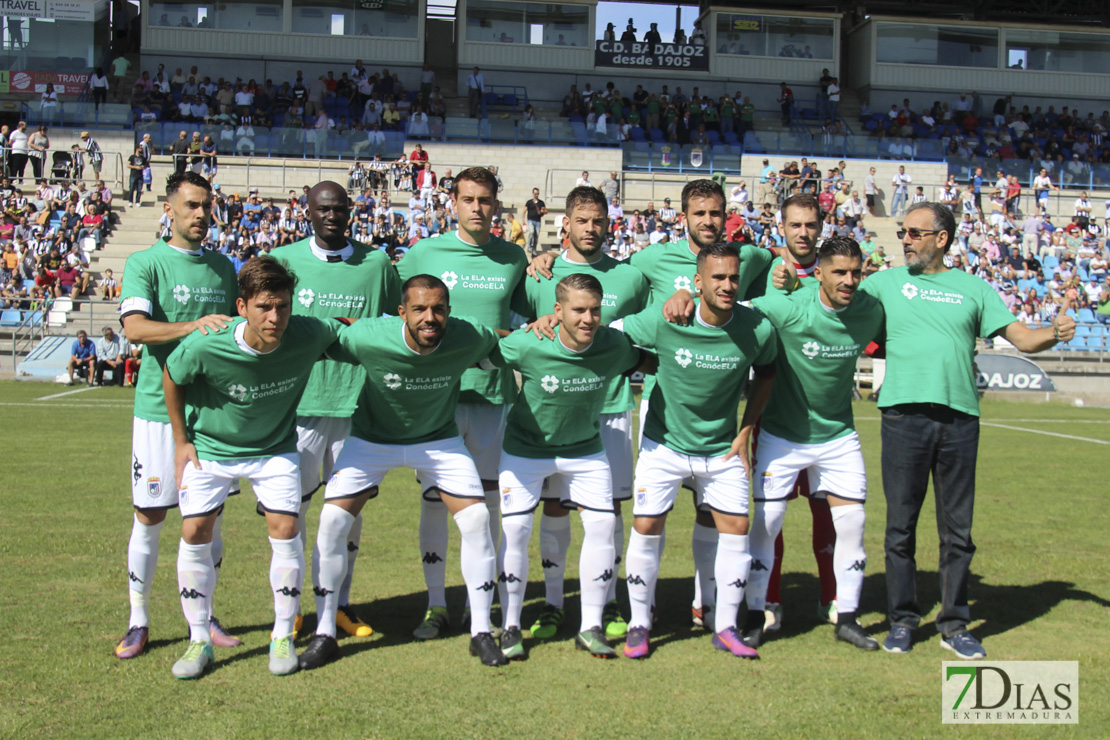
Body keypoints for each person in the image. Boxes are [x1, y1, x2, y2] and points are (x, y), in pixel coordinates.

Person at [530, 179, 777, 626]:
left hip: (708, 417)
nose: (708, 221)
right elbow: (619, 306)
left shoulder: (753, 257)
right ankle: (605, 604)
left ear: (727, 216)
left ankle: (704, 602)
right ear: (682, 216)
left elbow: (778, 276)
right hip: (659, 411)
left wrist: (789, 274)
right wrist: (546, 257)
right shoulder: (647, 260)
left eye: (716, 213)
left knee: (698, 509)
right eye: (699, 213)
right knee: (634, 513)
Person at [857, 203, 1076, 659]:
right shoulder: (881, 284)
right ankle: (902, 620)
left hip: (959, 420)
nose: (905, 239)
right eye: (902, 231)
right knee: (900, 527)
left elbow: (1025, 339)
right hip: (903, 418)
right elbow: (833, 300)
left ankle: (955, 624)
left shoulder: (975, 289)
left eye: (915, 232)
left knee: (958, 532)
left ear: (942, 238)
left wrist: (1055, 330)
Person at [301, 274, 509, 669]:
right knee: (331, 522)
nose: (429, 317)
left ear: (449, 312)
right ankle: (325, 632)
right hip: (371, 441)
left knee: (478, 517)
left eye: (438, 309)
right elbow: (326, 335)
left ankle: (480, 630)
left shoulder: (466, 335)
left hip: (438, 441)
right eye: (419, 309)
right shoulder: (370, 336)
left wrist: (540, 326)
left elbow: (501, 339)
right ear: (401, 312)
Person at [162, 257, 345, 679]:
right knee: (194, 531)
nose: (275, 317)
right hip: (211, 447)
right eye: (264, 307)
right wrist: (181, 441)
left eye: (282, 306)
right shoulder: (207, 343)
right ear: (242, 307)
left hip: (274, 448)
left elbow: (343, 325)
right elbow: (173, 376)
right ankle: (198, 641)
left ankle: (282, 635)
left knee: (285, 526)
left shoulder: (307, 332)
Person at [618, 243, 777, 659]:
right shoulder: (667, 317)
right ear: (698, 282)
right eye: (717, 278)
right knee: (647, 526)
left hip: (721, 450)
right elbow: (614, 336)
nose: (726, 286)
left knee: (737, 529)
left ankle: (724, 626)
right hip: (664, 445)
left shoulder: (756, 328)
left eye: (733, 278)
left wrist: (746, 429)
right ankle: (639, 623)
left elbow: (768, 373)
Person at [395, 167, 528, 639]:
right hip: (438, 400)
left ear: (496, 205)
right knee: (435, 502)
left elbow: (530, 318)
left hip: (493, 397)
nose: (477, 207)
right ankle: (435, 605)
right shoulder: (423, 253)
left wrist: (547, 260)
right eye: (468, 199)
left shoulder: (514, 257)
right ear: (452, 202)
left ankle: (482, 607)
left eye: (485, 200)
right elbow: (398, 317)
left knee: (487, 505)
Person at [114, 171, 241, 660]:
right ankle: (138, 620)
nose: (201, 214)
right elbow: (135, 329)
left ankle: (204, 615)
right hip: (157, 412)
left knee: (210, 521)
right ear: (169, 209)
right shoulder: (145, 262)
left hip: (214, 413)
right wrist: (195, 325)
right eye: (190, 205)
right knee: (149, 515)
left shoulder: (224, 268)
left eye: (206, 206)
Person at [513, 187, 650, 643]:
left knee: (606, 511)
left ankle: (606, 601)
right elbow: (523, 329)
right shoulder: (536, 276)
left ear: (609, 223)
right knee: (553, 505)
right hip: (552, 412)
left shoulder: (630, 278)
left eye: (599, 220)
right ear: (565, 223)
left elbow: (642, 340)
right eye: (582, 220)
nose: (591, 228)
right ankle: (553, 605)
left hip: (609, 408)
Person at [269, 181, 399, 640]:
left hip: (357, 407)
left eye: (339, 208)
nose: (331, 216)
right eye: (322, 208)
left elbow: (390, 325)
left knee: (348, 513)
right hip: (300, 405)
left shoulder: (377, 263)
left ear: (350, 211)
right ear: (307, 210)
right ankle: (295, 608)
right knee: (294, 512)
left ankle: (339, 603)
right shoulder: (285, 262)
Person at [493, 273, 645, 660]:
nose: (588, 319)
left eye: (595, 310)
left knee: (602, 526)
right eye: (578, 310)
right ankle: (511, 625)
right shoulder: (530, 342)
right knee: (514, 530)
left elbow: (651, 344)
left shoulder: (614, 344)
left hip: (584, 450)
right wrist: (525, 326)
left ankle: (590, 625)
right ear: (557, 311)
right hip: (526, 450)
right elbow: (486, 347)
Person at [743, 236, 883, 652]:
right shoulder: (788, 306)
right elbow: (729, 310)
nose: (850, 280)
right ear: (817, 272)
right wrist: (684, 297)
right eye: (840, 272)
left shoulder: (870, 311)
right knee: (766, 526)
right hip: (781, 438)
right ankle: (755, 615)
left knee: (853, 525)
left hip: (838, 437)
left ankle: (849, 617)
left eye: (856, 272)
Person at [523, 188, 546, 256]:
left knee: (536, 236)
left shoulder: (541, 202)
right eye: (535, 193)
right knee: (531, 232)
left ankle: (534, 249)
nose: (536, 195)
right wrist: (523, 220)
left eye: (537, 194)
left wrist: (542, 211)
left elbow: (544, 210)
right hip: (531, 220)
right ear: (533, 193)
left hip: (538, 221)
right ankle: (529, 245)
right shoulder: (529, 202)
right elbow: (524, 211)